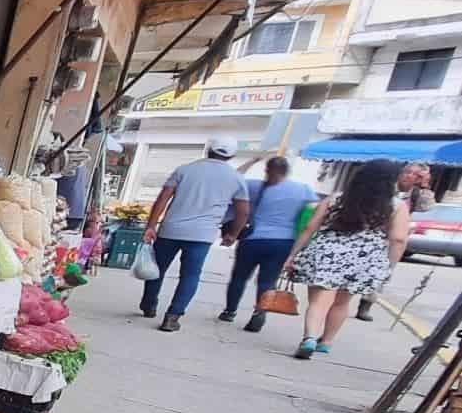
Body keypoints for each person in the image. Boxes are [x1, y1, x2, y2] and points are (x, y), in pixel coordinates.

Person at [286, 159, 412, 359]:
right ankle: (326, 342)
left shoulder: (337, 199)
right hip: (364, 258)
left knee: (319, 300)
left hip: (327, 252)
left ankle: (309, 337)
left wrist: (293, 254)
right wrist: (390, 265)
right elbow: (398, 238)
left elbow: (310, 227)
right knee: (342, 302)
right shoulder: (396, 206)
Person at [140, 137, 250, 332]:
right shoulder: (236, 178)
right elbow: (243, 211)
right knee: (190, 275)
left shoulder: (185, 169)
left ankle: (149, 305)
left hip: (170, 230)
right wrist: (232, 234)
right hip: (202, 235)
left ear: (208, 150)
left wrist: (151, 225)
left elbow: (162, 198)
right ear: (232, 156)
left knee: (156, 268)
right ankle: (173, 317)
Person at [219, 156, 317, 332]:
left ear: (267, 170)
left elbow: (233, 177)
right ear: (287, 171)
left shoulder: (253, 186)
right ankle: (259, 312)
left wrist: (253, 160)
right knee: (267, 280)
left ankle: (229, 311)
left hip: (251, 239)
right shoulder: (303, 190)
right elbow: (313, 212)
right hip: (283, 242)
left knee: (239, 277)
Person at [354, 161, 433, 321]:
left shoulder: (417, 194)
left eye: (416, 175)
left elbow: (426, 207)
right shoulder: (388, 187)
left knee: (383, 271)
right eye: (407, 172)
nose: (409, 176)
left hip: (391, 239)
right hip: (371, 233)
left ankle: (366, 304)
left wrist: (425, 186)